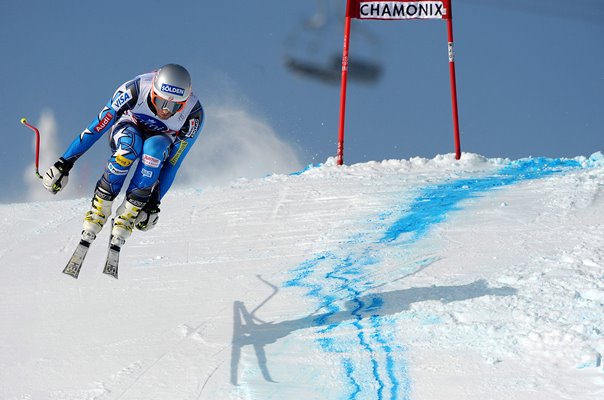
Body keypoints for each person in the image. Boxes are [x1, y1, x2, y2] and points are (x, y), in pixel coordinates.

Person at [42, 64, 204, 247]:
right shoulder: (134, 90)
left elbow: (173, 162)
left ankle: (129, 212)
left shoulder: (193, 115)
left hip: (160, 139)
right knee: (129, 147)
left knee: (154, 151)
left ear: (185, 101)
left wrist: (153, 203)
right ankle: (100, 208)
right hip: (127, 127)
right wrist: (64, 163)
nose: (166, 110)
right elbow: (96, 128)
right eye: (161, 102)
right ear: (152, 92)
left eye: (175, 106)